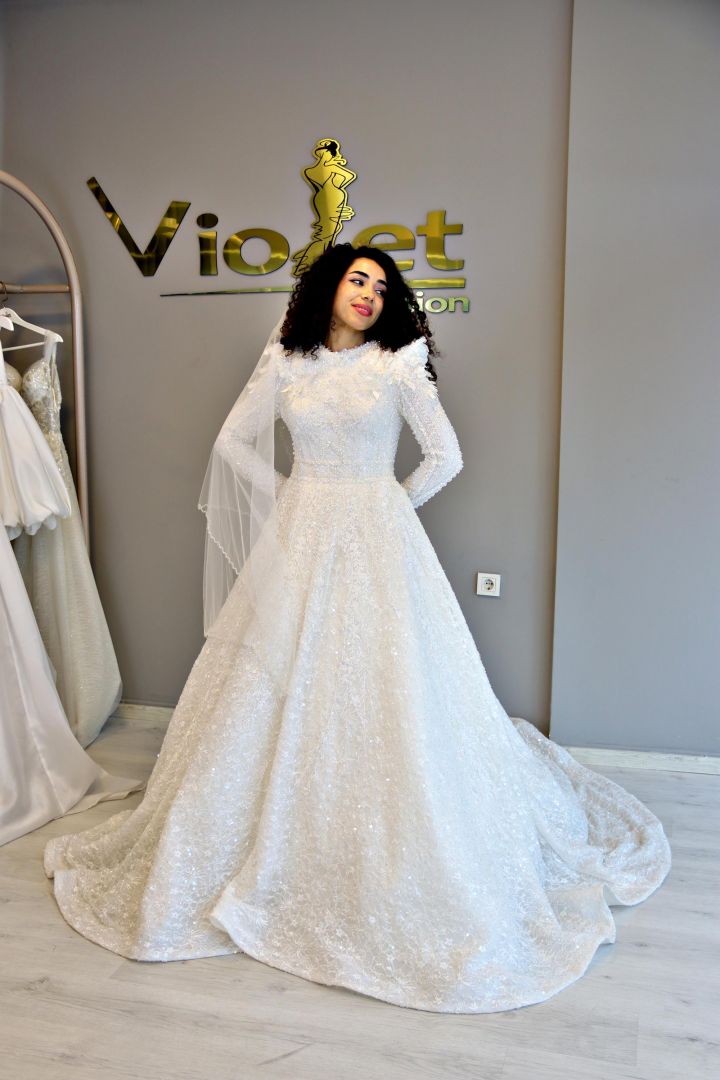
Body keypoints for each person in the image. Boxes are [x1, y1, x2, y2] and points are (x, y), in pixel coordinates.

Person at [44, 244, 671, 1014]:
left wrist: (391, 501)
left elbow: (445, 455)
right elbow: (233, 443)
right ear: (328, 288)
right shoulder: (287, 360)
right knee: (271, 681)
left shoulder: (396, 363)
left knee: (390, 680)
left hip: (377, 530)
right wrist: (289, 493)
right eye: (357, 279)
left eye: (381, 284)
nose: (370, 292)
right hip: (303, 527)